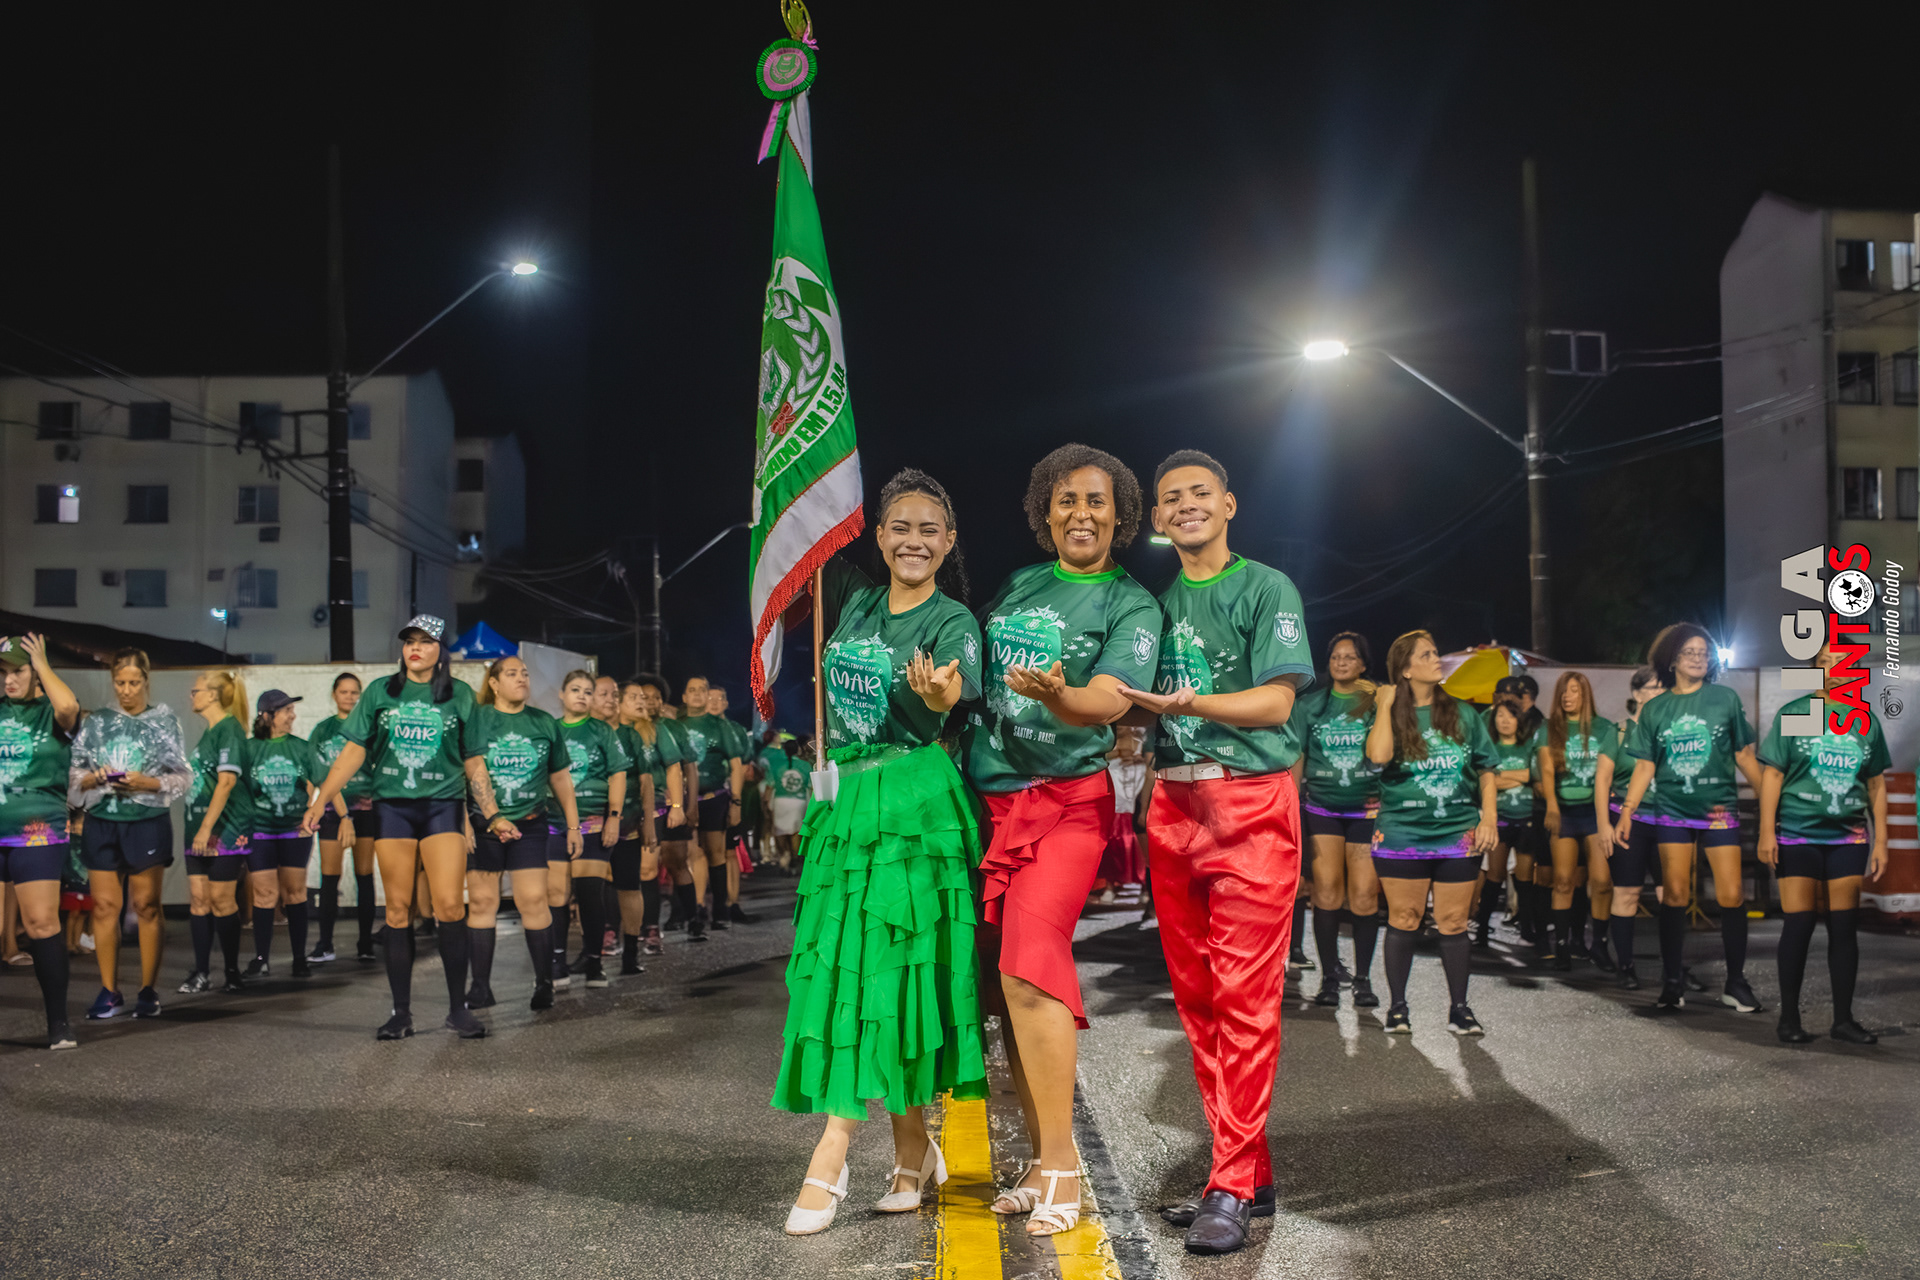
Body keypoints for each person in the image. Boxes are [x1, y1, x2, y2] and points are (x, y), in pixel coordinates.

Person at [775, 469, 986, 1237]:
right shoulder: (855, 597)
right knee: (846, 972)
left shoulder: (953, 618)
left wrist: (938, 696)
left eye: (930, 529)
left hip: (913, 803)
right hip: (846, 801)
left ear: (948, 542)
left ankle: (831, 1151)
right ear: (880, 535)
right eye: (901, 526)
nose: (914, 540)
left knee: (894, 971)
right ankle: (912, 1150)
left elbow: (955, 689)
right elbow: (797, 543)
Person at [1114, 451, 1313, 1257]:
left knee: (1245, 996)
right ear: (1158, 519)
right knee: (1198, 1001)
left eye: (1201, 492)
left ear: (1229, 505)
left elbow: (1276, 703)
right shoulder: (1151, 606)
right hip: (1172, 802)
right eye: (1171, 498)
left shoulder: (1266, 587)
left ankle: (1227, 1182)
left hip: (1250, 802)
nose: (1186, 505)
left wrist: (1194, 701)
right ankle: (1247, 1171)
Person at [962, 443, 1161, 1236]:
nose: (1082, 513)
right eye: (1067, 499)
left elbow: (1112, 699)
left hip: (1065, 805)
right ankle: (1042, 1156)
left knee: (1030, 968)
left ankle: (1061, 1167)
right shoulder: (1017, 585)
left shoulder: (1131, 603)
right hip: (987, 803)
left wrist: (1062, 695)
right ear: (1045, 511)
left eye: (1097, 500)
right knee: (1001, 990)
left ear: (1120, 514)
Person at [302, 615, 488, 1040]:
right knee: (398, 909)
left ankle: (458, 1009)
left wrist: (489, 813)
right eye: (409, 642)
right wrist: (320, 800)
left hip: (442, 805)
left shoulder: (459, 695)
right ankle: (400, 1013)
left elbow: (474, 760)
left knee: (449, 906)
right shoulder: (379, 692)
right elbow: (353, 752)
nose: (415, 648)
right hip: (393, 808)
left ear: (441, 650)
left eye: (425, 641)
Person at [1615, 624, 1763, 1013]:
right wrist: (1627, 811)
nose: (1698, 658)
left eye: (1703, 652)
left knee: (1732, 894)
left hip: (1718, 810)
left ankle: (1736, 983)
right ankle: (1672, 982)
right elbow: (1644, 766)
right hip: (1672, 811)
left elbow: (1744, 755)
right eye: (1689, 652)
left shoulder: (1725, 699)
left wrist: (1773, 802)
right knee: (1676, 895)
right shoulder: (1656, 708)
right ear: (1672, 659)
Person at [1365, 630, 1499, 1037]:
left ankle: (1460, 1009)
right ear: (1405, 669)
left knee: (1454, 921)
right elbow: (1377, 758)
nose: (1436, 659)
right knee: (1405, 918)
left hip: (1457, 831)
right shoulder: (1389, 713)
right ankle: (1398, 1008)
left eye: (1435, 652)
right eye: (1426, 655)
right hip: (1402, 833)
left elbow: (1486, 769)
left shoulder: (1463, 713)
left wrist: (1489, 818)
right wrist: (1384, 704)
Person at [1758, 643, 1888, 1045]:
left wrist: (1881, 841)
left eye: (1842, 662)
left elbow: (1875, 783)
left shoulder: (1865, 720)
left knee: (1844, 928)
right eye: (1824, 662)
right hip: (1797, 833)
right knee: (1798, 924)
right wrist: (1766, 831)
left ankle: (1843, 1021)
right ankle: (1789, 1019)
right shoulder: (1796, 714)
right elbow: (1773, 775)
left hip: (1848, 837)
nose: (1834, 669)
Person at [70, 647, 189, 1021]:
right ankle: (109, 991)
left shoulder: (164, 722)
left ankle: (148, 990)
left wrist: (146, 782)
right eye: (120, 682)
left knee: (147, 905)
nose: (126, 690)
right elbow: (74, 774)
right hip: (103, 820)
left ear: (146, 681)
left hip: (146, 821)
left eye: (134, 682)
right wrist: (95, 778)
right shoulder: (97, 723)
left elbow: (182, 776)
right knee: (104, 907)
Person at [462, 655, 582, 1011]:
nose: (522, 679)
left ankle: (544, 983)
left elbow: (560, 777)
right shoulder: (478, 718)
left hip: (530, 825)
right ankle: (480, 988)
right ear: (494, 683)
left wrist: (573, 825)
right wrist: (470, 819)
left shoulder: (543, 722)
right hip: (484, 825)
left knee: (533, 900)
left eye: (525, 673)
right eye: (512, 674)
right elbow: (465, 770)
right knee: (482, 903)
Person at [0, 635, 82, 1049]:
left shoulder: (51, 713)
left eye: (17, 671)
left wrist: (42, 663)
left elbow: (68, 708)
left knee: (41, 924)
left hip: (37, 830)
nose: (9, 680)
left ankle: (58, 1023)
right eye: (2, 672)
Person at [1293, 632, 1381, 1008]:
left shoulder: (1376, 703)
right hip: (1322, 808)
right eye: (1335, 656)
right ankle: (1330, 978)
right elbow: (1297, 756)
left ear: (1363, 664)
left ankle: (1363, 979)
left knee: (1363, 895)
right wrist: (1292, 803)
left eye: (1350, 657)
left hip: (1367, 810)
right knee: (1326, 892)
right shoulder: (1310, 705)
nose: (1341, 662)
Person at [180, 668, 256, 995]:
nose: (192, 696)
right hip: (197, 826)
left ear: (212, 695)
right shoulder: (209, 732)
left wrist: (206, 828)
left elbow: (226, 783)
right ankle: (201, 972)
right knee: (199, 900)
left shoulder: (230, 730)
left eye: (196, 691)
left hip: (224, 828)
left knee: (222, 901)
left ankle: (232, 971)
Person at [554, 669, 631, 983]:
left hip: (593, 822)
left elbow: (618, 775)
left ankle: (594, 962)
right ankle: (556, 963)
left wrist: (613, 816)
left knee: (589, 893)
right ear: (562, 694)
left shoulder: (602, 731)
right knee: (557, 894)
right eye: (575, 690)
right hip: (555, 822)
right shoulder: (551, 729)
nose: (582, 697)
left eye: (588, 692)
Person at [1539, 671, 1616, 972]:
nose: (1567, 696)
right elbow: (1546, 769)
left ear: (1585, 695)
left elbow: (1609, 770)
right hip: (1565, 813)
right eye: (1563, 691)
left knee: (1602, 882)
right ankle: (1562, 946)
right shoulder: (1549, 728)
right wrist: (1552, 806)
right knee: (1563, 881)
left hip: (1595, 813)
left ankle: (1599, 945)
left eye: (1574, 690)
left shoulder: (1604, 728)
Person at [244, 689, 321, 978]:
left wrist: (316, 813)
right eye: (286, 711)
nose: (292, 716)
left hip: (294, 830)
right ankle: (261, 958)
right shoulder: (249, 749)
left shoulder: (301, 748)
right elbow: (237, 789)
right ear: (267, 716)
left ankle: (299, 958)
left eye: (291, 710)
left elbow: (321, 782)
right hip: (260, 830)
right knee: (264, 894)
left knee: (295, 892)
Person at [1595, 667, 1660, 989]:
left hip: (1667, 819)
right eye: (1653, 688)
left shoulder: (1671, 730)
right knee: (1627, 892)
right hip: (1627, 821)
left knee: (1671, 894)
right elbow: (1602, 780)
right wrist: (1602, 826)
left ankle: (1675, 967)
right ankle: (1626, 965)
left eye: (1663, 688)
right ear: (1636, 694)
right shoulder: (1620, 731)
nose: (1659, 693)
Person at [310, 673, 377, 963]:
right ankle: (325, 944)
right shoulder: (323, 730)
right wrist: (344, 815)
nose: (349, 697)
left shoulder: (370, 728)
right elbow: (324, 776)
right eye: (344, 692)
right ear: (334, 694)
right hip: (333, 812)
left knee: (365, 875)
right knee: (329, 877)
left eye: (354, 692)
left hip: (366, 809)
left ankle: (365, 943)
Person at [621, 675, 689, 955]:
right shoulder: (611, 730)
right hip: (618, 810)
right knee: (620, 873)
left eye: (646, 698)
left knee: (648, 869)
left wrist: (678, 807)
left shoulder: (657, 730)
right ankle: (620, 929)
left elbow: (674, 767)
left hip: (654, 806)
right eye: (636, 697)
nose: (643, 702)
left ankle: (651, 928)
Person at [677, 677, 747, 932]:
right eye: (692, 690)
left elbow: (737, 766)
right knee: (690, 854)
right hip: (683, 800)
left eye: (702, 690)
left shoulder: (720, 726)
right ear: (684, 697)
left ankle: (721, 910)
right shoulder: (676, 725)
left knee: (716, 853)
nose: (697, 694)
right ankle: (696, 908)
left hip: (714, 798)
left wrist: (736, 802)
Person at [1485, 696, 1541, 957]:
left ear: (1520, 720)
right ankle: (1482, 929)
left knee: (1524, 877)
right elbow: (1487, 781)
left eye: (1510, 716)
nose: (1505, 721)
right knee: (1494, 875)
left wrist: (1501, 776)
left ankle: (1527, 930)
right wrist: (1518, 779)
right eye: (1500, 715)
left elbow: (1533, 774)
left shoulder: (1528, 746)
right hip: (1499, 819)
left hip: (1526, 818)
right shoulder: (1489, 748)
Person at [706, 686, 760, 920]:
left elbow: (745, 766)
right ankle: (700, 906)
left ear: (726, 703)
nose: (714, 702)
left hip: (729, 798)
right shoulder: (693, 729)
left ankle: (733, 903)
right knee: (701, 853)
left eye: (720, 698)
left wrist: (735, 799)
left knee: (730, 851)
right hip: (702, 799)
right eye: (710, 698)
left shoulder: (736, 730)